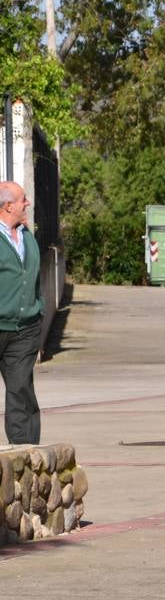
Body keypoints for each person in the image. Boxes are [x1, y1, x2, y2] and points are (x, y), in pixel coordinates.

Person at [0, 181, 43, 446]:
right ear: (7, 206)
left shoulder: (27, 236)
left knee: (20, 391)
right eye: (22, 200)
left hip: (24, 330)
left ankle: (26, 453)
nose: (27, 203)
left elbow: (34, 278)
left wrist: (38, 308)